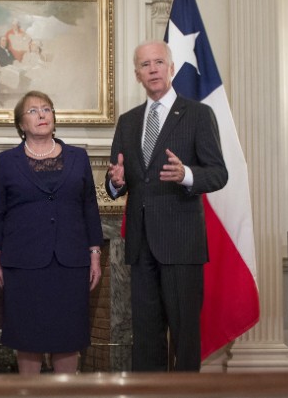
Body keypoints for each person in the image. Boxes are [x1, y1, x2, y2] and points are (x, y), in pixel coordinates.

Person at [105, 40, 228, 372]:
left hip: (181, 243)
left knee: (185, 334)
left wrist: (186, 173)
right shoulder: (128, 122)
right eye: (145, 65)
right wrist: (115, 183)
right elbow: (118, 178)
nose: (153, 69)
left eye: (159, 62)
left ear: (171, 68)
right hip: (141, 245)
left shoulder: (198, 114)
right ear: (137, 75)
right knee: (145, 335)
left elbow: (218, 173)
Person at [0, 90, 104, 374]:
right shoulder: (5, 161)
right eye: (33, 111)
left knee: (68, 337)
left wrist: (95, 253)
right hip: (23, 264)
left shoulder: (78, 157)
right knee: (28, 337)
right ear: (21, 124)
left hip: (70, 262)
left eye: (46, 109)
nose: (42, 115)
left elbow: (89, 207)